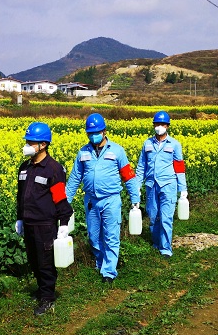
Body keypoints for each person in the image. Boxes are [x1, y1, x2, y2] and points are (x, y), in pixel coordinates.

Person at [66, 113, 140, 284]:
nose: (93, 135)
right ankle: (100, 262)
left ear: (105, 131)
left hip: (111, 199)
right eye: (90, 133)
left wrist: (135, 198)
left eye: (97, 132)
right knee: (93, 236)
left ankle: (109, 271)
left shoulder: (117, 150)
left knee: (111, 235)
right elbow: (75, 178)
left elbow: (128, 175)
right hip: (91, 200)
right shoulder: (83, 152)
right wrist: (65, 200)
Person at [15, 122, 74, 316]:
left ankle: (48, 298)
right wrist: (20, 218)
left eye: (31, 142)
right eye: (27, 141)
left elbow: (59, 198)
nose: (27, 145)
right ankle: (41, 290)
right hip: (29, 222)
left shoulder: (53, 169)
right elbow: (20, 196)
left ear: (43, 145)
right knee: (33, 260)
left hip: (45, 224)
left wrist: (64, 223)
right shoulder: (24, 168)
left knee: (45, 262)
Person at [135, 111, 187, 258]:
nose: (159, 127)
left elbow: (179, 167)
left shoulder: (175, 144)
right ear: (153, 125)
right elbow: (141, 166)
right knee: (153, 216)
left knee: (165, 217)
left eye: (162, 124)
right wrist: (136, 186)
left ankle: (165, 248)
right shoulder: (147, 143)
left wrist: (183, 188)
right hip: (151, 185)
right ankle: (156, 242)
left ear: (167, 126)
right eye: (157, 124)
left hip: (168, 185)